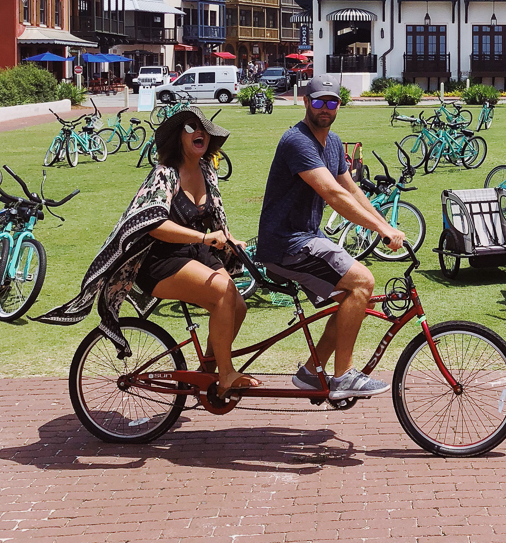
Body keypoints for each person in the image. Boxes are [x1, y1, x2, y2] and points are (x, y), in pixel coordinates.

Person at [37, 108, 257, 397]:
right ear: (179, 137)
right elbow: (153, 225)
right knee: (222, 292)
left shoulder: (206, 170)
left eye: (203, 128)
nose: (199, 132)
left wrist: (230, 239)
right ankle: (226, 375)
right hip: (159, 260)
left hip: (194, 252)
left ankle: (208, 375)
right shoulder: (164, 174)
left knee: (237, 306)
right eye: (190, 127)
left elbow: (214, 220)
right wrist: (204, 238)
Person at [256, 75, 405, 401]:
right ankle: (343, 377)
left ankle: (312, 372)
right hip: (285, 242)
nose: (325, 108)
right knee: (363, 282)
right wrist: (381, 230)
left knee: (349, 301)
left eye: (332, 102)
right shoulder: (297, 141)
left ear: (339, 105)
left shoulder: (334, 143)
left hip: (305, 237)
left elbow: (353, 190)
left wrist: (385, 223)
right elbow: (334, 195)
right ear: (306, 103)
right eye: (319, 101)